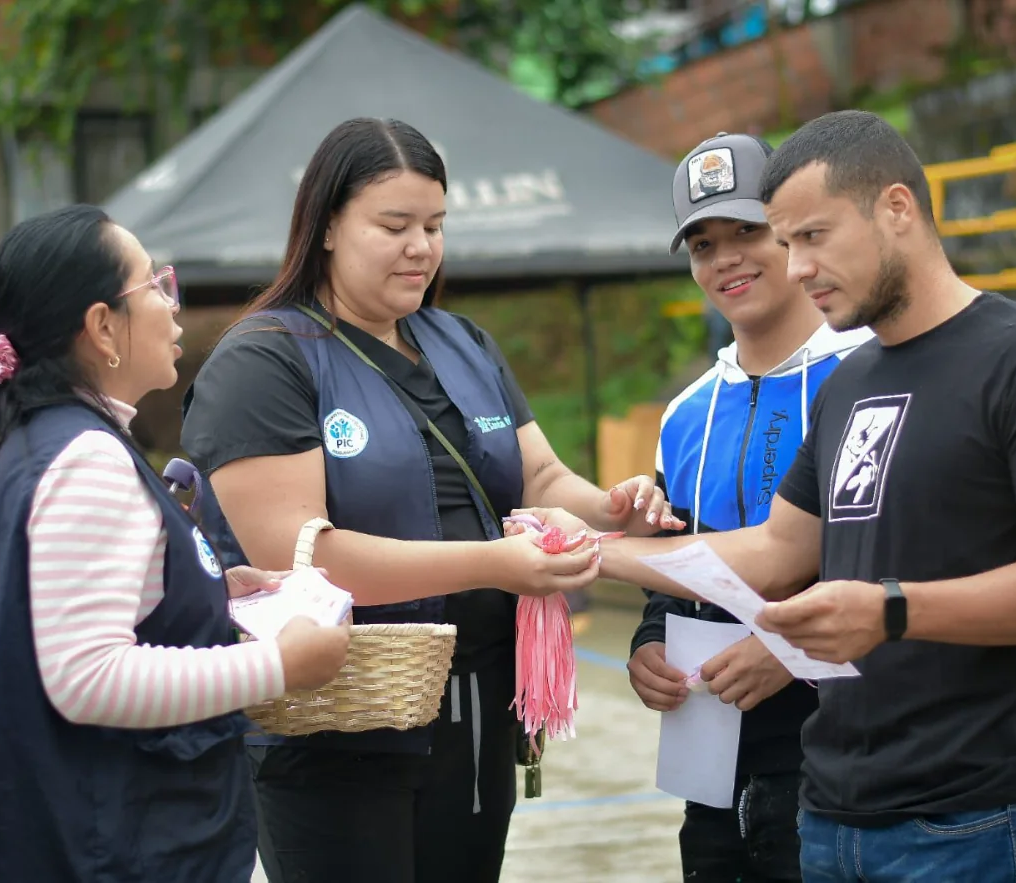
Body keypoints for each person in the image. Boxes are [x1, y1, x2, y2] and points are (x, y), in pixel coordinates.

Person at [517, 110, 1016, 882]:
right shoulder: (850, 385)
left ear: (896, 208)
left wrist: (884, 613)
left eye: (807, 236)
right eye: (786, 239)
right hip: (830, 811)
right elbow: (776, 551)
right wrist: (590, 554)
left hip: (973, 812)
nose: (797, 264)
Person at [178, 116, 681, 883]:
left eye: (435, 225)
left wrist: (613, 507)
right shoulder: (265, 361)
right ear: (326, 227)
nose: (420, 246)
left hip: (477, 709)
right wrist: (494, 564)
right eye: (394, 226)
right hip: (337, 728)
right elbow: (298, 556)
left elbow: (539, 477)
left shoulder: (462, 342)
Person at [0, 204, 351, 883]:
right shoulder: (87, 458)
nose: (172, 304)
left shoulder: (52, 437)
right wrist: (280, 663)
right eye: (154, 284)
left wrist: (204, 589)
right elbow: (87, 677)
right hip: (113, 850)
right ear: (102, 326)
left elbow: (75, 612)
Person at [629, 132, 870, 882]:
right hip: (711, 767)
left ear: (791, 233)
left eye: (746, 231)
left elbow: (905, 565)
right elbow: (674, 566)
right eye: (703, 244)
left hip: (843, 771)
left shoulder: (868, 375)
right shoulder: (684, 414)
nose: (726, 259)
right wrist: (648, 644)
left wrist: (790, 653)